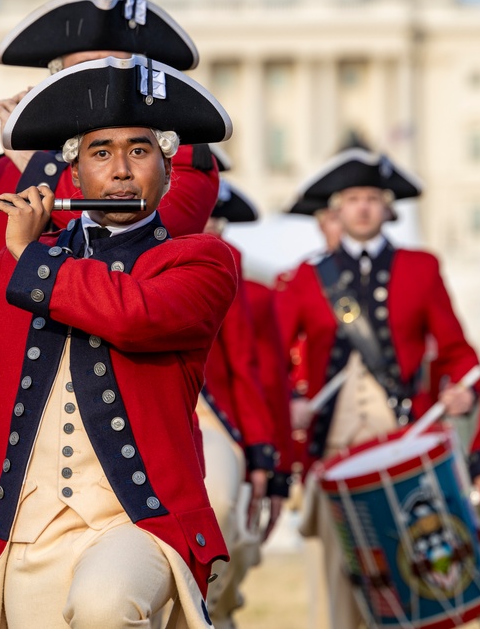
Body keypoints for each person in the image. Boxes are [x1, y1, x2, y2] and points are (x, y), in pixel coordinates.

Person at [0, 54, 234, 628]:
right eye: (101, 152)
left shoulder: (198, 260)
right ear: (72, 174)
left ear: (168, 171)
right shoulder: (20, 265)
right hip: (30, 525)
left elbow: (135, 316)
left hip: (137, 518)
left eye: (140, 150)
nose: (122, 169)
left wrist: (29, 253)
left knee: (105, 608)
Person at [276, 148, 480, 629]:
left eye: (372, 198)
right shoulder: (308, 278)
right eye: (352, 199)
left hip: (405, 444)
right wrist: (292, 403)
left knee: (420, 576)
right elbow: (273, 359)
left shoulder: (421, 267)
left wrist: (460, 388)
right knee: (337, 588)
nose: (363, 207)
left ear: (388, 209)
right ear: (337, 210)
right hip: (333, 449)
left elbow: (459, 352)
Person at [201, 174, 291, 628]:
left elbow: (248, 373)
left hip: (216, 420)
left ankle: (212, 614)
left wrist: (263, 456)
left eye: (219, 217)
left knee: (222, 515)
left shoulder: (232, 272)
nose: (212, 225)